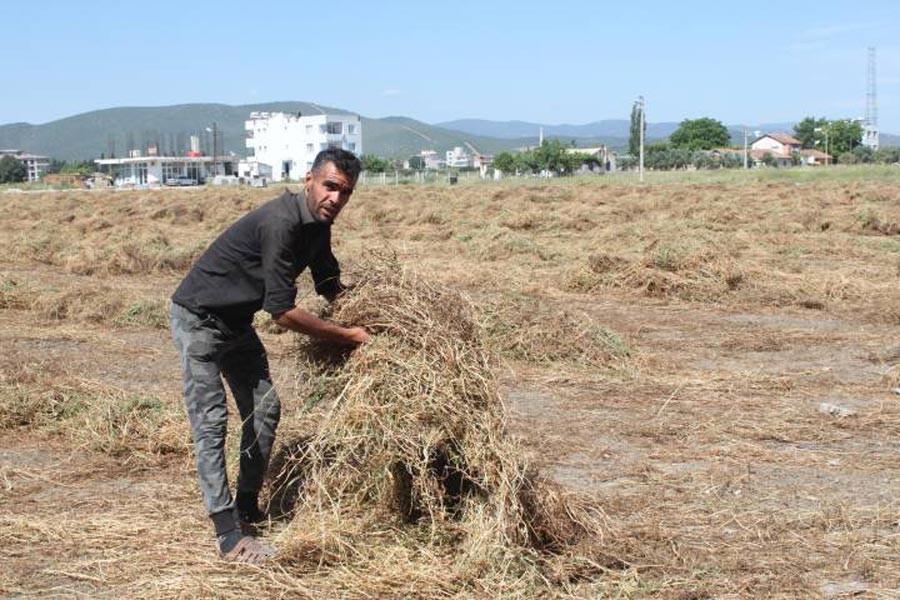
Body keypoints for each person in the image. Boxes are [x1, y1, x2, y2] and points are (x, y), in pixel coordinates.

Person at [169, 148, 369, 563]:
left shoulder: (318, 228)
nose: (336, 198)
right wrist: (348, 335)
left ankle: (246, 506)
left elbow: (331, 287)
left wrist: (378, 316)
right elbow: (283, 314)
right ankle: (228, 535)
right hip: (200, 320)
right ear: (308, 181)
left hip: (237, 321)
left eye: (345, 192)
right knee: (211, 421)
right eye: (330, 186)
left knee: (265, 409)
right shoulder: (281, 222)